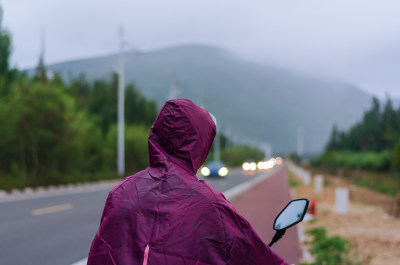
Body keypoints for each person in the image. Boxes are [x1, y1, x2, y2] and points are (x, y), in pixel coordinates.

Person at [88, 99, 289, 265]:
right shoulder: (211, 205)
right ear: (200, 142)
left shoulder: (121, 193)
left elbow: (100, 254)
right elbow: (251, 253)